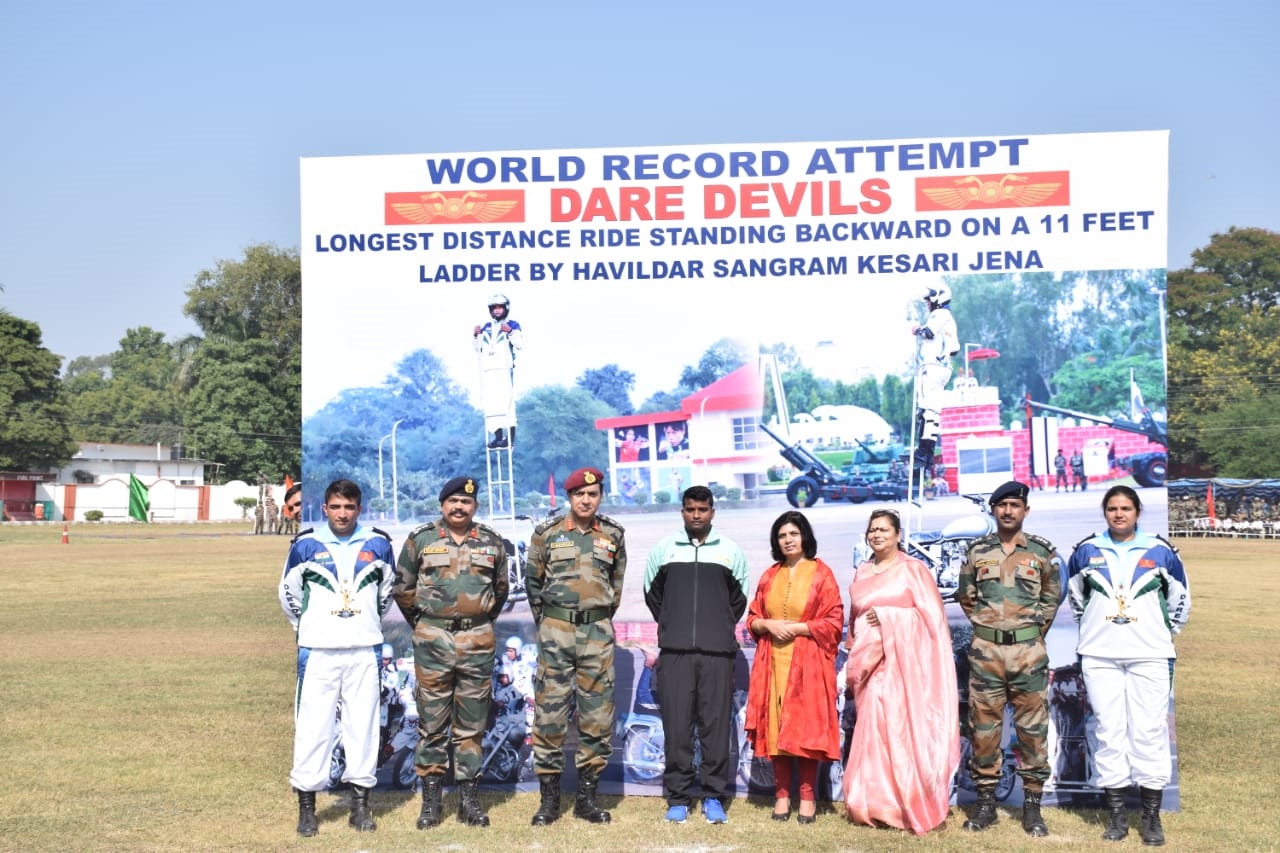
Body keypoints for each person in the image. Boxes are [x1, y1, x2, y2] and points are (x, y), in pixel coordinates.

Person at [1066, 485, 1190, 846]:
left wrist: (1157, 634)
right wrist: (1097, 631)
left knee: (1149, 731)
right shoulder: (1086, 550)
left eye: (1126, 508)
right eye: (1112, 508)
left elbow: (1180, 602)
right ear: (1105, 513)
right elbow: (1077, 602)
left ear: (1137, 512)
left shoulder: (1161, 551)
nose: (1119, 514)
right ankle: (1117, 816)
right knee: (1108, 730)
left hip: (1150, 654)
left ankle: (1151, 817)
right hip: (1099, 655)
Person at [278, 479, 394, 837]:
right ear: (325, 508)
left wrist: (361, 624)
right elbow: (288, 595)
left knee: (362, 727)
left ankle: (360, 807)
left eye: (349, 507)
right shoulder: (305, 544)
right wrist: (314, 627)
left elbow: (385, 595)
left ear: (359, 509)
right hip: (318, 652)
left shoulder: (378, 543)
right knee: (314, 728)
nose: (342, 514)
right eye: (336, 507)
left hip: (364, 649)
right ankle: (307, 809)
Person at [393, 476, 509, 829]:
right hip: (432, 640)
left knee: (471, 725)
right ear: (442, 504)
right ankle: (430, 803)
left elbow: (500, 591)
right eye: (453, 501)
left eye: (467, 502)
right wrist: (428, 624)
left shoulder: (491, 541)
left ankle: (469, 802)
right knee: (432, 724)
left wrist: (474, 622)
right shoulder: (422, 539)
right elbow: (403, 588)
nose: (459, 507)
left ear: (475, 507)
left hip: (477, 639)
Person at [956, 480, 1063, 836]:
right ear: (993, 510)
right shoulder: (976, 551)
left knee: (1032, 731)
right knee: (984, 730)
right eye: (1001, 505)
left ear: (1025, 511)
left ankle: (1032, 809)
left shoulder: (1041, 552)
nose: (1007, 511)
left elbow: (1052, 597)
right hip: (987, 654)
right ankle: (986, 805)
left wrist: (1028, 634)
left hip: (1028, 655)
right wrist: (992, 632)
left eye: (1015, 505)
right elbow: (967, 597)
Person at [842, 509, 958, 835]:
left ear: (897, 535)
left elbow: (932, 621)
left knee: (898, 732)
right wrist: (855, 656)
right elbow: (855, 620)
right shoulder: (862, 571)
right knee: (872, 734)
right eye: (873, 530)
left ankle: (899, 806)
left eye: (884, 530)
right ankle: (869, 803)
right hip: (868, 664)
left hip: (904, 667)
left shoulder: (913, 570)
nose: (877, 535)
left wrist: (890, 617)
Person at [525, 467, 627, 826]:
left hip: (597, 633)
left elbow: (615, 585)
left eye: (593, 494)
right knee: (550, 716)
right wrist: (553, 621)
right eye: (580, 495)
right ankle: (549, 801)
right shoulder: (547, 534)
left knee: (597, 718)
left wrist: (594, 618)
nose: (586, 500)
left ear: (600, 497)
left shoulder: (613, 534)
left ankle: (586, 799)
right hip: (555, 630)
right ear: (569, 497)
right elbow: (533, 583)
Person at [643, 485, 749, 825]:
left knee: (715, 728)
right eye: (690, 509)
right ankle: (678, 797)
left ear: (712, 512)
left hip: (717, 654)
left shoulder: (730, 551)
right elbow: (653, 596)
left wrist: (711, 628)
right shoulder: (664, 549)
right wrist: (676, 627)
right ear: (683, 512)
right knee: (678, 729)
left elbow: (738, 599)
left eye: (702, 509)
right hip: (674, 655)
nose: (696, 515)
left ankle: (714, 796)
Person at [744, 511, 843, 825]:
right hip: (773, 664)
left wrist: (798, 628)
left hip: (808, 666)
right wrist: (767, 624)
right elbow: (752, 619)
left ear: (805, 537)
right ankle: (782, 795)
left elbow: (834, 622)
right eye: (782, 535)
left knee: (805, 731)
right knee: (775, 731)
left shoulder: (821, 573)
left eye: (793, 534)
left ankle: (808, 797)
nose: (788, 540)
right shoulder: (769, 575)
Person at [911, 284, 959, 470]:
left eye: (929, 301)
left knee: (925, 408)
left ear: (937, 299)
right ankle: (927, 452)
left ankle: (923, 451)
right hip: (944, 369)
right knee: (933, 411)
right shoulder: (951, 320)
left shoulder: (939, 315)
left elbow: (928, 332)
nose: (927, 305)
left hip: (930, 367)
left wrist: (917, 329)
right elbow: (955, 349)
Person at [473, 293, 523, 449]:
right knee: (491, 403)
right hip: (488, 370)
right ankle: (498, 436)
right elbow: (478, 349)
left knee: (507, 403)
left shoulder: (513, 324)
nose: (497, 310)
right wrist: (476, 336)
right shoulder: (486, 327)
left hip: (505, 368)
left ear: (506, 308)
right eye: (494, 308)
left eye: (500, 307)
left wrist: (510, 332)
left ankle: (510, 438)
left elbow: (520, 344)